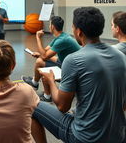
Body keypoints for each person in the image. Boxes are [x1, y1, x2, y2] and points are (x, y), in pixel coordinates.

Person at [32, 7, 126, 143]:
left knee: (33, 105)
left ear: (79, 31)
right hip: (118, 136)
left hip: (84, 138)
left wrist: (51, 81)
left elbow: (62, 107)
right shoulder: (121, 56)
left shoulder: (73, 60)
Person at [22, 16, 80, 102]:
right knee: (40, 60)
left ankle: (46, 95)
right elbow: (44, 51)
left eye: (49, 24)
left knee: (43, 67)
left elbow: (45, 55)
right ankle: (35, 83)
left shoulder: (62, 40)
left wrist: (38, 38)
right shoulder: (60, 37)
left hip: (72, 72)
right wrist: (40, 54)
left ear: (52, 26)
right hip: (65, 64)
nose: (49, 26)